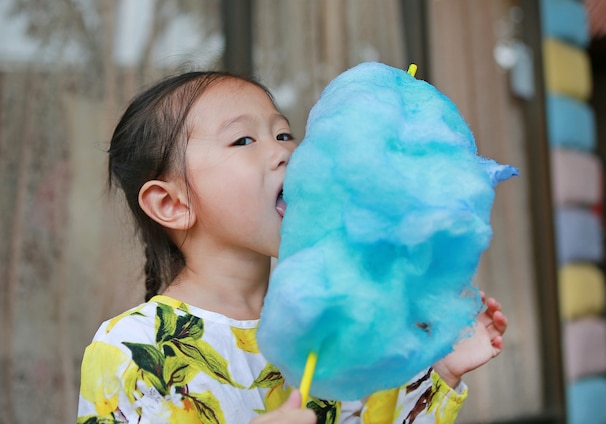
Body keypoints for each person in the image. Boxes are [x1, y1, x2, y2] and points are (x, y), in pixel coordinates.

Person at [77, 70, 508, 424]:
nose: (286, 153)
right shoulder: (132, 349)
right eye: (244, 140)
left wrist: (440, 374)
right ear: (172, 203)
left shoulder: (336, 315)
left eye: (284, 135)